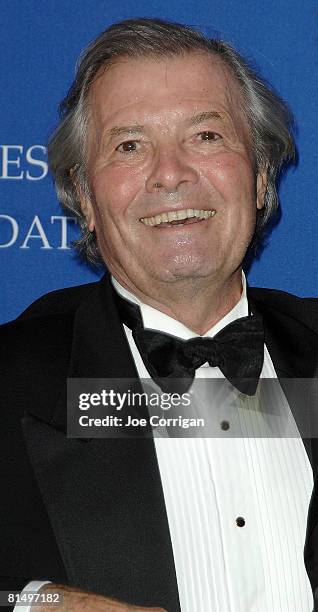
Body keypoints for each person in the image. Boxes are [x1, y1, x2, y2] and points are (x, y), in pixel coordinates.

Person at [1, 17, 318, 612]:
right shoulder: (11, 377)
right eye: (130, 145)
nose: (171, 174)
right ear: (86, 198)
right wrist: (32, 601)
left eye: (205, 136)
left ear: (261, 176)